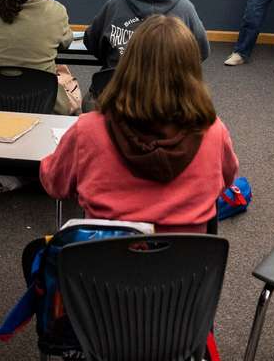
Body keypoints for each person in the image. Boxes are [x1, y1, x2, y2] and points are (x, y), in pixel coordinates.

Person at [41, 15, 238, 233]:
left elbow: (55, 183)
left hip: (104, 262)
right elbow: (226, 182)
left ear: (129, 64)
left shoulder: (87, 129)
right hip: (186, 264)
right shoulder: (213, 131)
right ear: (192, 71)